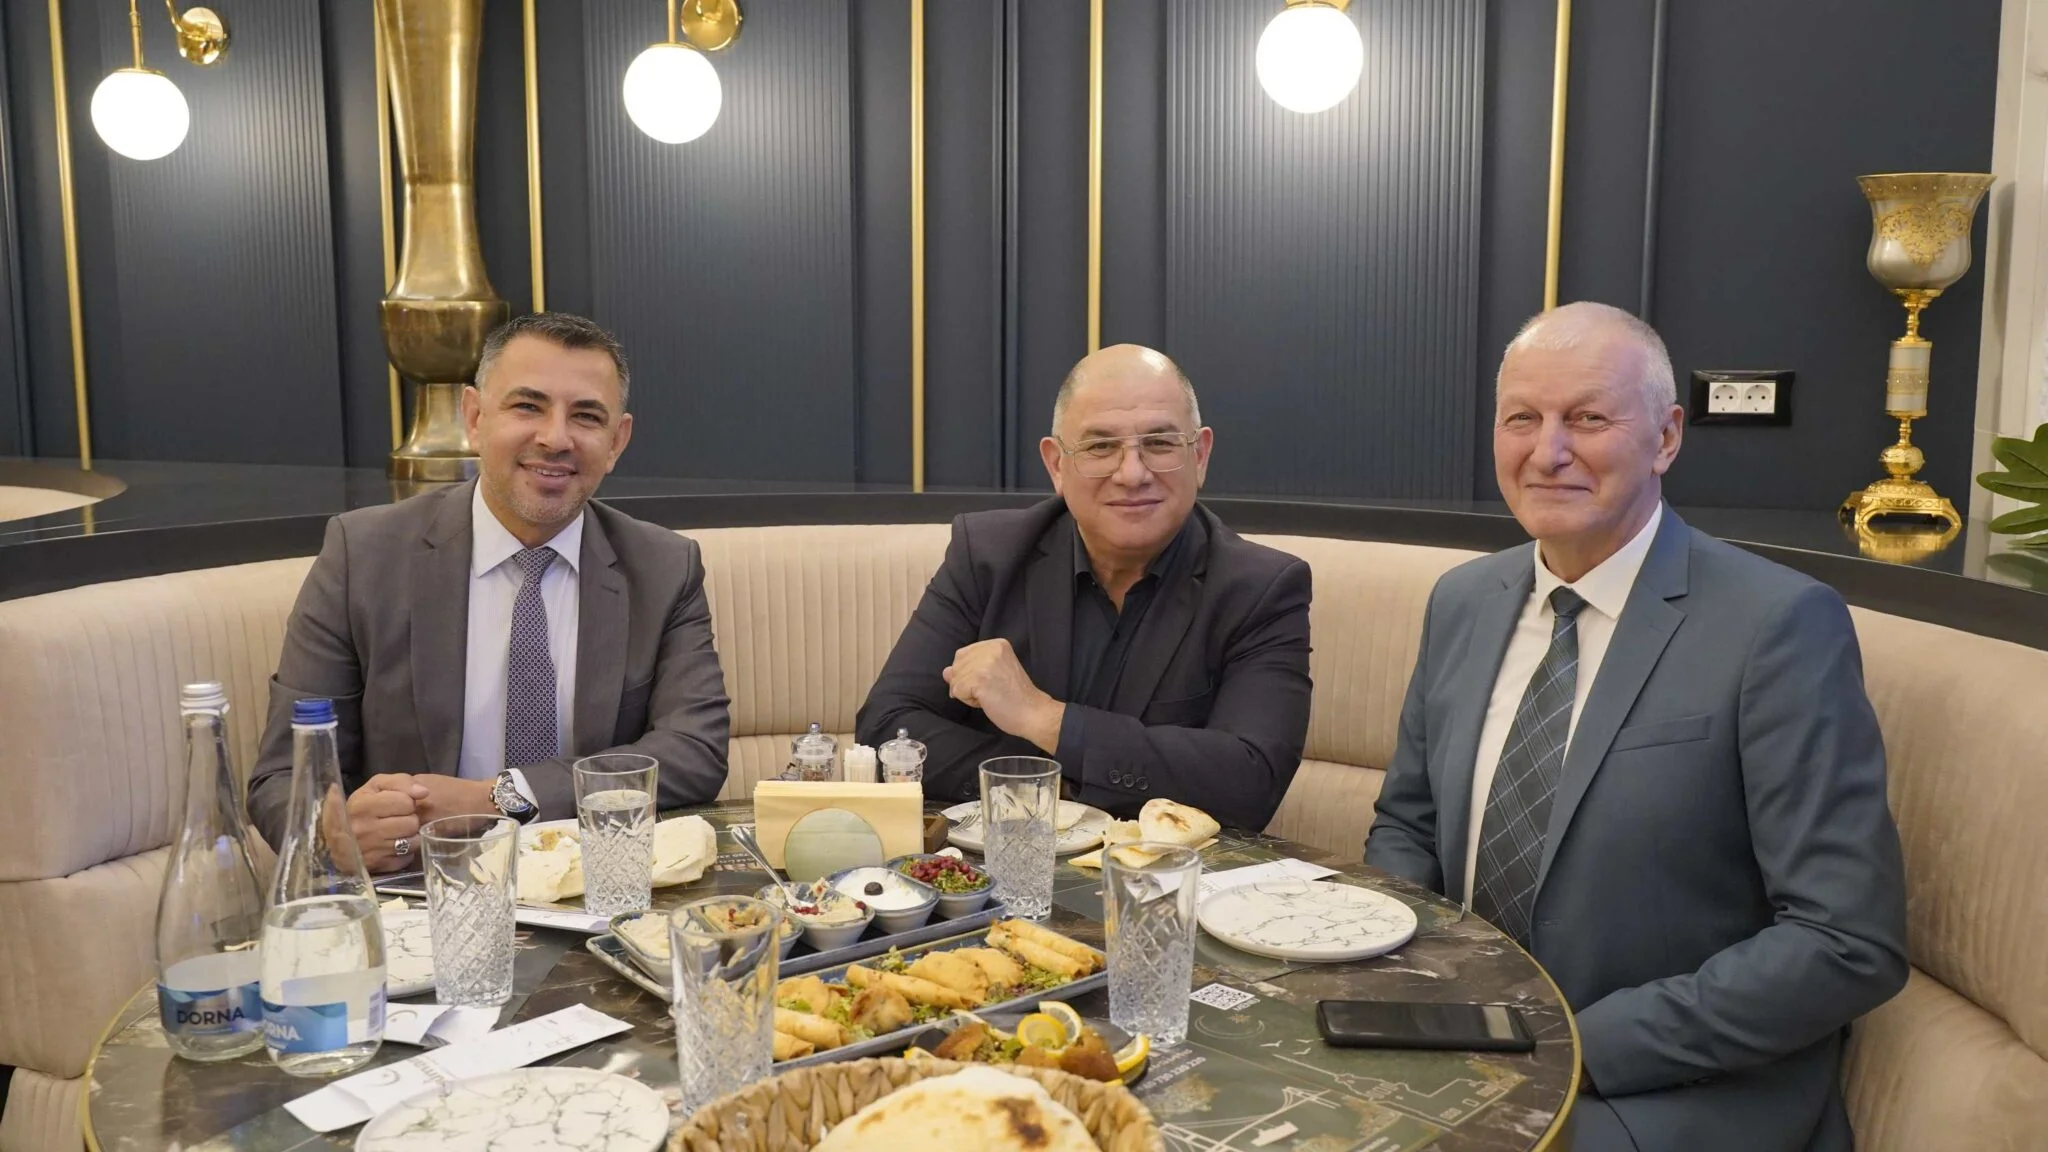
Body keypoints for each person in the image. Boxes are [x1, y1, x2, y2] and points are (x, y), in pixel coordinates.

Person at [1366, 302, 1907, 1150]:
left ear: (1666, 437)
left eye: (1588, 418)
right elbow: (1408, 825)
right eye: (1521, 419)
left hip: (1668, 1090)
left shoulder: (1777, 626)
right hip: (1457, 1046)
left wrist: (1568, 1045)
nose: (1547, 451)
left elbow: (1845, 940)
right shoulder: (1463, 601)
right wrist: (1408, 981)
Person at [247, 312, 731, 870]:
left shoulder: (663, 567)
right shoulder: (364, 555)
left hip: (595, 887)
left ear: (616, 441)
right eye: (527, 406)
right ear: (475, 418)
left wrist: (495, 799)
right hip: (419, 886)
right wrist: (333, 833)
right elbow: (283, 777)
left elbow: (694, 750)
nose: (555, 438)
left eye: (586, 416)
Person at [856, 344, 1311, 832]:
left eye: (1159, 443)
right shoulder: (988, 556)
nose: (1132, 474)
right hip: (999, 863)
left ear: (1199, 456)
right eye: (1100, 447)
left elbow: (1250, 783)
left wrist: (1044, 718)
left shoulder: (1261, 590)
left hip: (1171, 873)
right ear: (1056, 465)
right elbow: (888, 728)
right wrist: (1053, 789)